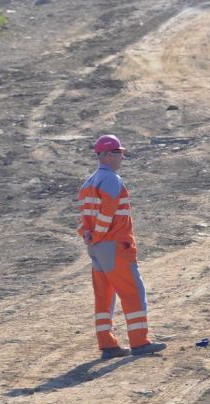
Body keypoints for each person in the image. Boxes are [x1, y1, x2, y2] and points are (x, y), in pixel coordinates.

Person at [77, 135, 167, 359]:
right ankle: (139, 342)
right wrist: (98, 235)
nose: (122, 157)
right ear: (106, 154)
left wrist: (90, 236)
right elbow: (107, 214)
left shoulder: (89, 182)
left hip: (97, 248)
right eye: (118, 153)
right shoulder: (110, 180)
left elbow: (85, 217)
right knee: (133, 292)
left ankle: (108, 345)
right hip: (113, 245)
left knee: (104, 295)